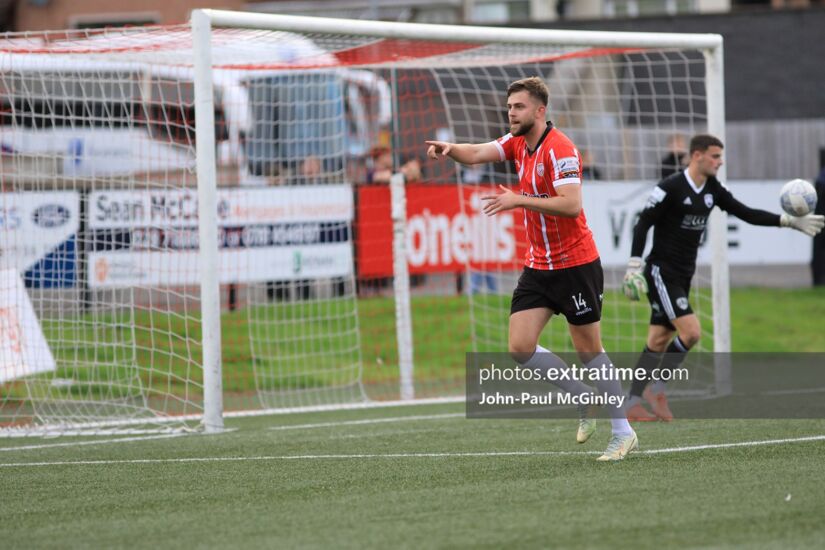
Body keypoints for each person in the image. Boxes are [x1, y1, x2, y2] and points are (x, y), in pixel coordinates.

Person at [427, 76, 638, 461]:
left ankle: (623, 432)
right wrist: (450, 148)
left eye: (518, 107)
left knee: (589, 350)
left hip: (576, 264)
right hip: (539, 266)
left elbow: (571, 204)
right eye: (509, 107)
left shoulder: (561, 149)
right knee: (519, 346)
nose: (511, 112)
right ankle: (581, 396)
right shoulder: (516, 144)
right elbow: (476, 153)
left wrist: (519, 200)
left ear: (540, 111)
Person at [622, 134, 825, 421]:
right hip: (661, 272)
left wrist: (789, 221)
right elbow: (643, 223)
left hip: (684, 273)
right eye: (715, 156)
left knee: (657, 340)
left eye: (720, 156)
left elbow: (745, 213)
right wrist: (633, 264)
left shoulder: (713, 189)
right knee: (691, 332)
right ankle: (656, 388)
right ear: (697, 156)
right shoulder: (670, 188)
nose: (720, 161)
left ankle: (631, 402)